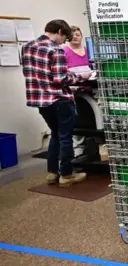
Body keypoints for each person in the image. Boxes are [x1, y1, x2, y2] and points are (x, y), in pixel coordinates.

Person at [22, 20, 91, 187]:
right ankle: (67, 175)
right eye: (64, 37)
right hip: (59, 100)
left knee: (55, 134)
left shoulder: (27, 47)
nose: (64, 42)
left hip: (40, 100)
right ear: (60, 31)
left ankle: (53, 173)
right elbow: (61, 79)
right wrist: (80, 77)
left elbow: (30, 72)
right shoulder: (55, 50)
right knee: (66, 136)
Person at [64, 26, 90, 161]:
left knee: (90, 117)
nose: (75, 37)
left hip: (89, 90)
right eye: (72, 35)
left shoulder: (87, 51)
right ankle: (78, 150)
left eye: (78, 34)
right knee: (77, 121)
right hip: (73, 92)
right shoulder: (64, 52)